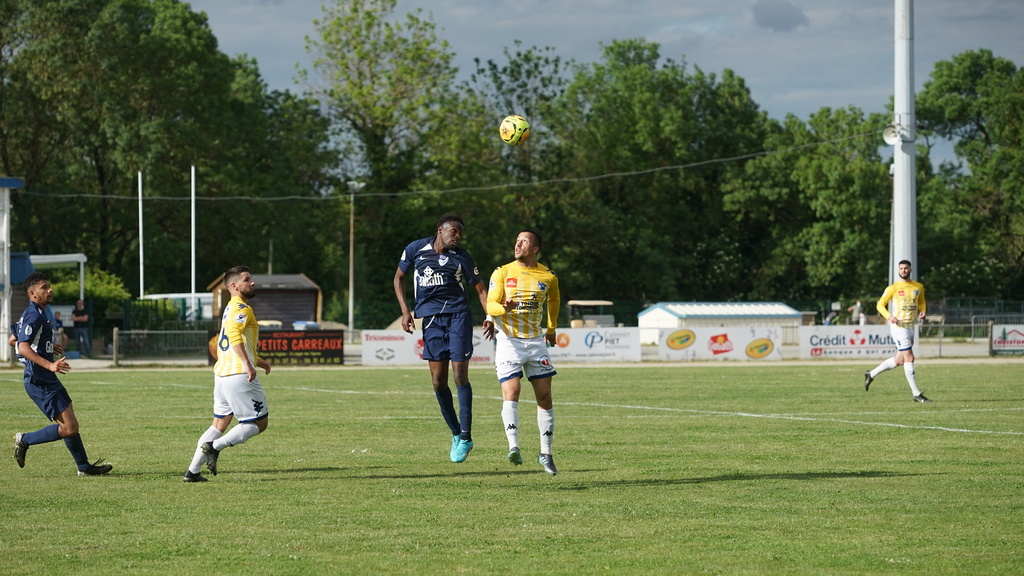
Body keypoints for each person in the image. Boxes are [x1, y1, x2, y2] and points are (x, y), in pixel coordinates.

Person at [393, 214, 493, 463]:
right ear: (441, 230)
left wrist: (490, 315)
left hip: (458, 316)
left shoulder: (462, 257)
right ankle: (456, 433)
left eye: (461, 233)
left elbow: (481, 289)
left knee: (460, 375)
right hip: (430, 320)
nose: (458, 236)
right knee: (438, 382)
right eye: (454, 231)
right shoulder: (415, 249)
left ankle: (467, 436)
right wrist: (406, 311)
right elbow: (398, 278)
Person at [10, 272, 113, 476]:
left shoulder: (36, 312)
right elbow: (21, 347)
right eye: (44, 287)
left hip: (46, 377)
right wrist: (49, 364)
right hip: (39, 379)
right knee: (69, 427)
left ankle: (84, 467)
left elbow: (12, 339)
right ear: (32, 293)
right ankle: (25, 440)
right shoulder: (34, 314)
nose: (50, 290)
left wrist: (46, 346)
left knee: (70, 418)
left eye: (49, 286)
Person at [182, 265, 272, 482]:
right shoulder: (243, 309)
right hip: (238, 375)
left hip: (222, 375)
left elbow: (233, 340)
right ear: (234, 285)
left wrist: (257, 361)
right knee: (259, 423)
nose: (252, 282)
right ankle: (215, 447)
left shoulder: (230, 307)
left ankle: (192, 472)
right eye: (247, 279)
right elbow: (233, 336)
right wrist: (248, 365)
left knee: (219, 424)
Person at [486, 230, 561, 475]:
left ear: (536, 248)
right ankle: (514, 446)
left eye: (524, 241)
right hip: (509, 341)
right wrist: (501, 308)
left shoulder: (548, 276)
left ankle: (546, 452)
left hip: (536, 341)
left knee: (545, 397)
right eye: (516, 240)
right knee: (512, 391)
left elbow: (554, 300)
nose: (517, 243)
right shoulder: (503, 272)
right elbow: (490, 303)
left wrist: (551, 328)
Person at [863, 260, 930, 402]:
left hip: (911, 327)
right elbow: (880, 305)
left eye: (906, 268)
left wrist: (923, 311)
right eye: (901, 268)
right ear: (898, 270)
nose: (903, 270)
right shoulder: (893, 288)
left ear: (910, 269)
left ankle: (871, 374)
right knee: (910, 357)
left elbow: (921, 301)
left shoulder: (918, 287)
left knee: (899, 360)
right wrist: (889, 316)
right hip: (899, 328)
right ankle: (916, 394)